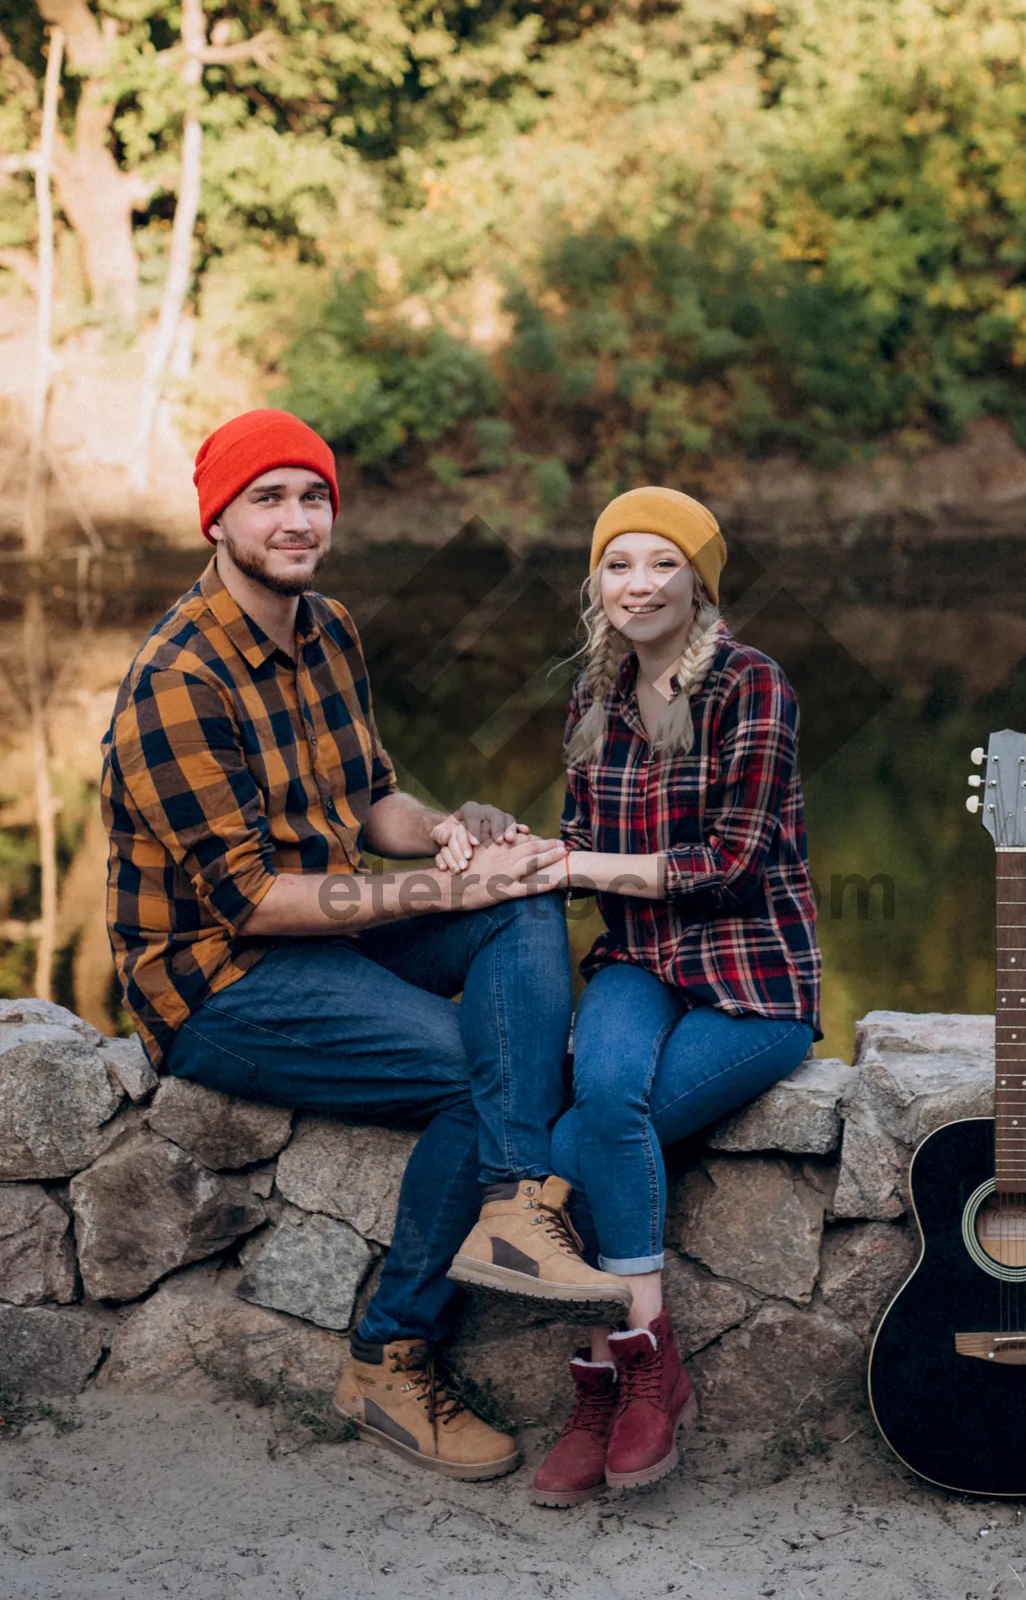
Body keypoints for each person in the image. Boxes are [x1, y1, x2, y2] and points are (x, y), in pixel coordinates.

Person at [100, 407, 630, 1484]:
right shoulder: (177, 682)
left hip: (332, 933)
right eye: (270, 499)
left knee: (525, 892)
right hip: (221, 978)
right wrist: (435, 886)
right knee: (475, 1075)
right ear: (219, 520)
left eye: (314, 497)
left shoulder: (327, 628)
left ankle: (520, 1202)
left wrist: (450, 833)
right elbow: (249, 900)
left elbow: (368, 800)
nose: (299, 521)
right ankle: (390, 1359)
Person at [523, 486, 821, 1502]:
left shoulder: (753, 685)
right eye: (618, 564)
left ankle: (610, 1376)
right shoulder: (594, 699)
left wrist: (573, 867)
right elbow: (575, 835)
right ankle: (650, 1361)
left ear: (699, 579)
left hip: (753, 982)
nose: (638, 584)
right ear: (596, 581)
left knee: (582, 1140)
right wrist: (519, 856)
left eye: (662, 564)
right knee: (603, 1095)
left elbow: (731, 864)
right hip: (640, 964)